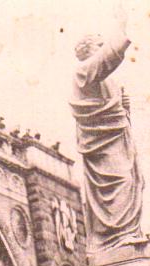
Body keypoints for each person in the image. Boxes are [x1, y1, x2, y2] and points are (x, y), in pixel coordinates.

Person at [70, 4, 146, 252]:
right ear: (88, 51)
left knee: (132, 181)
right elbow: (107, 59)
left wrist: (125, 113)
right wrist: (121, 25)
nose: (103, 49)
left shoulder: (107, 81)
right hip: (102, 146)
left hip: (117, 139)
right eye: (99, 46)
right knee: (120, 182)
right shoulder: (84, 71)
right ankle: (117, 239)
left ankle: (127, 234)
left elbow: (117, 114)